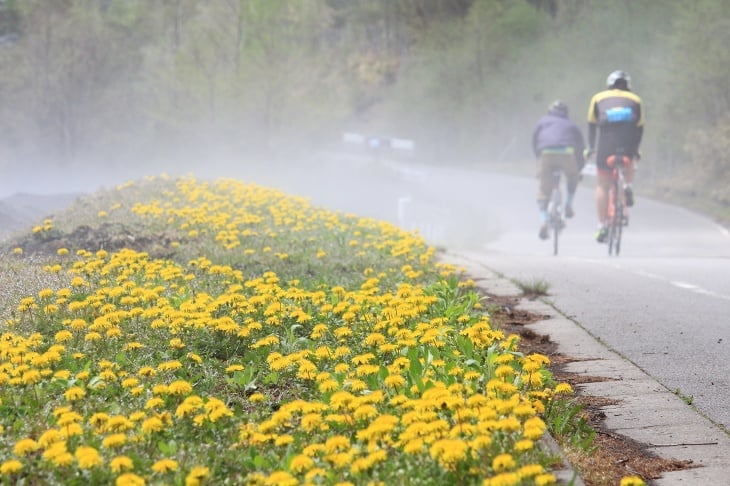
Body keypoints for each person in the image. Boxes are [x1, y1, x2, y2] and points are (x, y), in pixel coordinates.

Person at [586, 70, 644, 243]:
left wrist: (590, 148)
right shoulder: (636, 100)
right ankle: (627, 184)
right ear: (628, 85)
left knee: (603, 186)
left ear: (609, 84)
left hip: (606, 145)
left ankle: (602, 225)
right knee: (630, 161)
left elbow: (591, 124)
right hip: (627, 144)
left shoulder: (598, 98)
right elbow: (639, 128)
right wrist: (635, 151)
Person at [532, 100, 586, 240]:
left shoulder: (542, 121)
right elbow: (580, 147)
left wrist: (538, 158)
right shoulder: (571, 124)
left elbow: (535, 140)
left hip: (546, 153)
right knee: (572, 177)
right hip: (567, 154)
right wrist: (579, 167)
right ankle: (568, 205)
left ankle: (544, 221)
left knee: (544, 191)